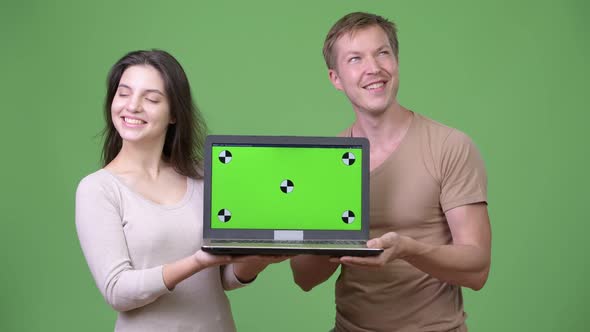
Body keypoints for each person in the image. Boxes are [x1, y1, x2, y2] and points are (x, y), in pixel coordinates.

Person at [290, 12, 491, 332]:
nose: (374, 68)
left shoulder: (450, 146)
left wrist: (410, 250)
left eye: (382, 53)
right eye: (355, 58)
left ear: (396, 61)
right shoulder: (323, 163)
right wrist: (332, 235)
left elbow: (477, 268)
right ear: (336, 78)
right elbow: (304, 278)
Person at [76, 49, 283, 331]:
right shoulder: (98, 189)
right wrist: (196, 261)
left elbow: (222, 279)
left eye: (151, 99)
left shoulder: (205, 177)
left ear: (174, 113)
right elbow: (117, 291)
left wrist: (258, 260)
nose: (133, 106)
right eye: (123, 93)